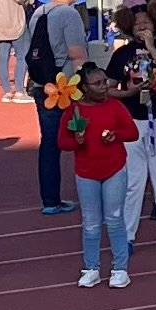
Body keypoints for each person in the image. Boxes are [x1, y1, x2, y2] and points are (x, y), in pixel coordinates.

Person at [105, 5, 156, 256]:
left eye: (146, 23)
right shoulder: (121, 55)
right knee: (133, 182)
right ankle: (127, 237)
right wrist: (128, 93)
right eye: (137, 24)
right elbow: (107, 89)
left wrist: (151, 49)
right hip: (132, 123)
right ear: (129, 27)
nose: (142, 27)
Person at [59, 63, 140, 288]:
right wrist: (78, 140)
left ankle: (120, 268)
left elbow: (132, 133)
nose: (104, 87)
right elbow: (63, 142)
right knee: (91, 223)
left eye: (105, 82)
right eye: (98, 84)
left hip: (114, 169)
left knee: (114, 219)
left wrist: (115, 135)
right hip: (86, 173)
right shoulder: (73, 111)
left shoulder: (115, 106)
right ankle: (91, 267)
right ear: (84, 87)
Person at [25, 0, 92, 215]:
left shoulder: (38, 12)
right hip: (68, 88)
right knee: (83, 137)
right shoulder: (69, 14)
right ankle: (91, 194)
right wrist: (88, 85)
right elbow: (77, 54)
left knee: (50, 143)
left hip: (44, 86)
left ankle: (50, 200)